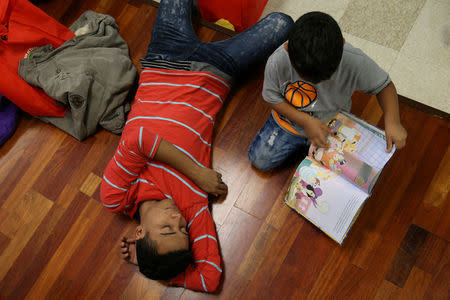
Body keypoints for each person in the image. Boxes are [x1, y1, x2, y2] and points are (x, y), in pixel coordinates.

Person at [100, 0, 293, 292]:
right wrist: (152, 268)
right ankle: (197, 18)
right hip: (216, 71)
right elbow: (209, 278)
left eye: (167, 229)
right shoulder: (192, 208)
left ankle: (194, 17)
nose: (177, 220)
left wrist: (198, 173)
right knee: (283, 23)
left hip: (163, 59)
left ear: (139, 233)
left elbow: (137, 139)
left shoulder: (118, 197)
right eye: (181, 230)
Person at [248, 11, 407, 171]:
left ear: (343, 44)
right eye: (305, 76)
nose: (318, 82)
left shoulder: (354, 61)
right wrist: (306, 121)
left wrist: (393, 121)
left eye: (327, 76)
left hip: (333, 125)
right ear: (287, 49)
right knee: (260, 161)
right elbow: (271, 98)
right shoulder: (277, 61)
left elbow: (384, 86)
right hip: (289, 122)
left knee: (352, 171)